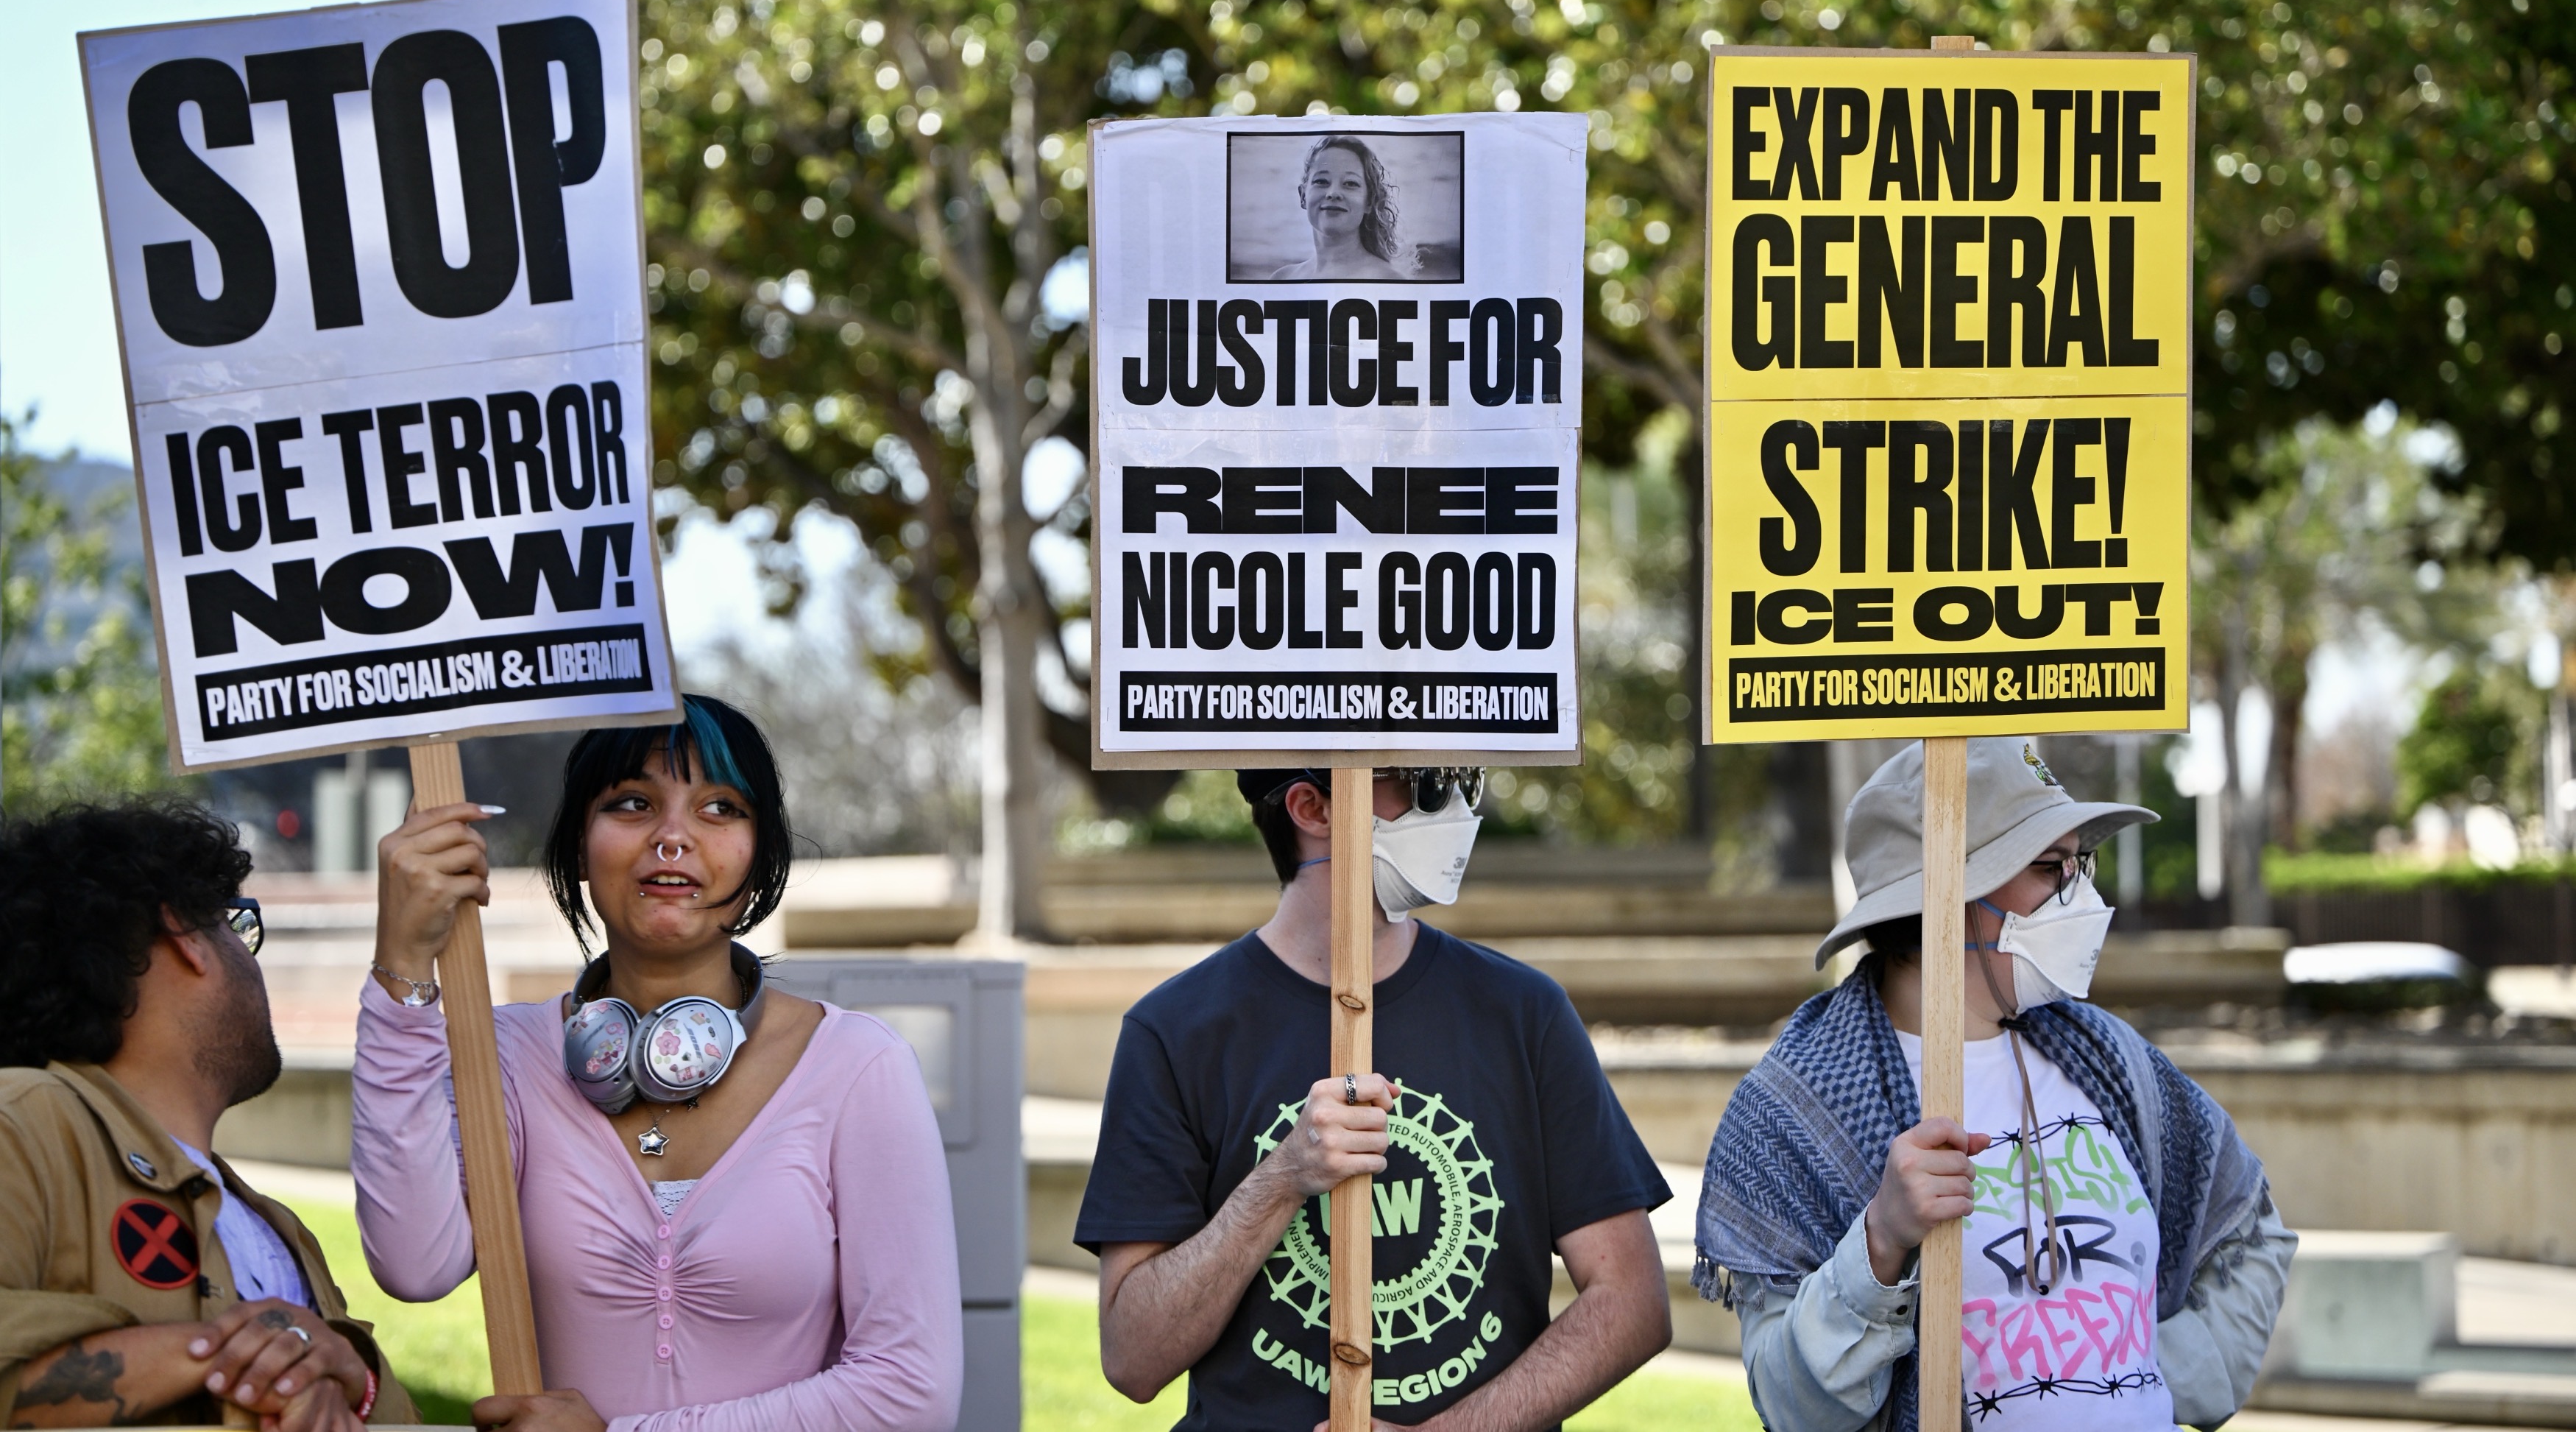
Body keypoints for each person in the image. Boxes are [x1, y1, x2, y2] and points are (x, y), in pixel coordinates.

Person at [353, 694, 961, 1432]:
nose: (673, 835)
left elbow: (910, 1390)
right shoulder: (504, 1053)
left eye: (719, 808)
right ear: (579, 842)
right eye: (633, 802)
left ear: (761, 853)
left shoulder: (858, 1067)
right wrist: (403, 961)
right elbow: (414, 1263)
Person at [1693, 738, 2296, 1431]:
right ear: (1948, 893)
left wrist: (2153, 1376)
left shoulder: (2112, 1061)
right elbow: (1790, 1405)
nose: (2082, 894)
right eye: (2049, 868)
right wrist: (1880, 1243)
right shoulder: (1795, 1111)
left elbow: (2253, 1228)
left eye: (2081, 863)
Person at [1078, 765, 1671, 1431]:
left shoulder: (1524, 1013)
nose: (1454, 806)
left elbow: (1631, 1300)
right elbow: (1132, 1357)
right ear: (1312, 806)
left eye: (1464, 780)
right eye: (1422, 783)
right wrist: (1280, 1179)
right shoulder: (1175, 1031)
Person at [0, 799, 415, 1431]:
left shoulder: (279, 1228)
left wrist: (348, 1373)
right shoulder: (25, 1119)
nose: (251, 959)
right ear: (187, 935)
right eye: (237, 926)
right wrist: (258, 1357)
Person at [1270, 135, 1422, 281]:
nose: (1333, 193)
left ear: (1369, 201)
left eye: (1350, 183)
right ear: (1303, 196)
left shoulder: (1389, 281)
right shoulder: (1282, 279)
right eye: (1321, 181)